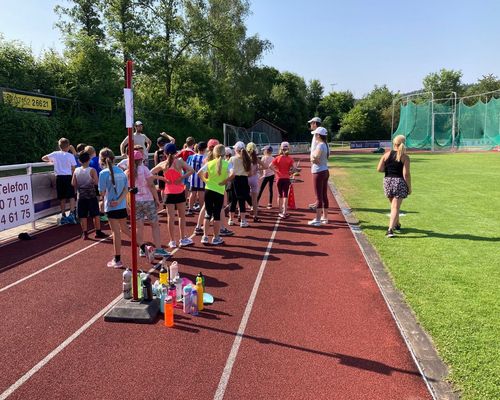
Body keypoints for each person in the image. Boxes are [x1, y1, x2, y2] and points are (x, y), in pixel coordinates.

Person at [126, 150, 170, 258]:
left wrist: (128, 203)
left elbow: (127, 189)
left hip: (135, 201)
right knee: (154, 225)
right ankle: (159, 249)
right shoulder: (144, 169)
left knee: (139, 226)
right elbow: (151, 185)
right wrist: (157, 200)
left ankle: (142, 248)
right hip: (148, 200)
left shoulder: (127, 172)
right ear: (141, 160)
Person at [151, 143, 195, 248]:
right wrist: (182, 177)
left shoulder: (163, 164)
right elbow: (192, 170)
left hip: (168, 193)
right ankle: (183, 239)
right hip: (179, 191)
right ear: (176, 152)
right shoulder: (179, 162)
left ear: (165, 153)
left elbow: (150, 173)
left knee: (171, 218)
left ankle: (172, 241)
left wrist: (163, 179)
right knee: (181, 217)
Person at [98, 148, 131, 268]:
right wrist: (119, 201)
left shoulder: (103, 173)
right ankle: (143, 246)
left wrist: (112, 200)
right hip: (121, 205)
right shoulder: (121, 171)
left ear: (101, 160)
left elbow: (101, 192)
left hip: (111, 206)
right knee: (126, 230)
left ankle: (117, 259)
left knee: (116, 233)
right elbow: (126, 189)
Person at [197, 144, 234, 245]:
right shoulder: (226, 164)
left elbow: (199, 172)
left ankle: (205, 236)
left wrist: (206, 181)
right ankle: (216, 237)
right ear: (224, 153)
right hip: (219, 191)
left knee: (208, 213)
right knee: (217, 214)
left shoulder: (209, 163)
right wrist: (225, 181)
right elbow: (233, 174)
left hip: (208, 190)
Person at [377, 134, 411, 238]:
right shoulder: (405, 157)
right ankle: (390, 229)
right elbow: (406, 174)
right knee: (395, 207)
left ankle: (397, 223)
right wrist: (409, 187)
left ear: (394, 143)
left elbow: (379, 169)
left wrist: (389, 169)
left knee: (394, 206)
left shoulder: (386, 154)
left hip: (387, 182)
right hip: (399, 182)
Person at [72, 152, 108, 240]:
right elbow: (96, 182)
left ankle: (85, 233)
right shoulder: (92, 170)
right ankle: (98, 231)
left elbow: (73, 183)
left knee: (82, 215)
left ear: (79, 161)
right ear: (89, 160)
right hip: (91, 195)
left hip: (81, 196)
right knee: (95, 214)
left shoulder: (76, 170)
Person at [42, 138, 78, 225]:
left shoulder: (55, 154)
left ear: (59, 146)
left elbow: (43, 158)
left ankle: (63, 215)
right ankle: (72, 214)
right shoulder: (70, 156)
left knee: (62, 197)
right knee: (71, 196)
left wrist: (52, 161)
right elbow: (73, 168)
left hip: (59, 178)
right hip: (68, 177)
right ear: (68, 146)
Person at [309, 127, 330, 226]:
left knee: (318, 197)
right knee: (324, 195)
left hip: (319, 172)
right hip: (325, 170)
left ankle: (317, 219)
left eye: (315, 134)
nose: (314, 136)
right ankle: (324, 217)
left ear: (318, 135)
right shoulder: (326, 144)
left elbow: (315, 158)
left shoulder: (320, 145)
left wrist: (312, 158)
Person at [228, 141, 252, 227]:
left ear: (236, 149)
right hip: (243, 180)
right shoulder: (247, 158)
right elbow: (249, 172)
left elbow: (228, 170)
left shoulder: (232, 159)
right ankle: (243, 221)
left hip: (234, 180)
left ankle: (230, 220)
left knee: (233, 200)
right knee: (242, 200)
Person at [271, 142, 295, 219]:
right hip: (286, 178)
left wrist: (276, 171)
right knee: (285, 195)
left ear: (280, 149)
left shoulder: (277, 158)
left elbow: (270, 166)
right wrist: (291, 172)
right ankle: (285, 212)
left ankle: (280, 211)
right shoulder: (290, 159)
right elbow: (294, 168)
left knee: (279, 195)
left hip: (279, 178)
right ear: (288, 149)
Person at [187, 141, 207, 217]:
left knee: (193, 193)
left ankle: (190, 209)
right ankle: (202, 209)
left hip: (193, 177)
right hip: (201, 178)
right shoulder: (205, 158)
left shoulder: (192, 156)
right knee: (201, 194)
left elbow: (189, 167)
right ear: (204, 149)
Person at [246, 142, 265, 222]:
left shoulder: (245, 158)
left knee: (242, 197)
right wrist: (257, 169)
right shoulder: (256, 158)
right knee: (254, 199)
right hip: (254, 179)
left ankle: (241, 215)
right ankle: (255, 216)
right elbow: (265, 166)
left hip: (246, 178)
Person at [308, 117, 322, 210]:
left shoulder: (318, 134)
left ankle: (319, 203)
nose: (310, 125)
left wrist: (314, 159)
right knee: (317, 185)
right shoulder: (315, 134)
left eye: (311, 123)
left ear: (315, 124)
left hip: (317, 163)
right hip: (315, 163)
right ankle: (318, 201)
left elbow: (319, 149)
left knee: (318, 185)